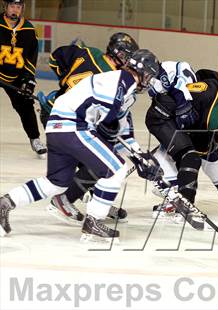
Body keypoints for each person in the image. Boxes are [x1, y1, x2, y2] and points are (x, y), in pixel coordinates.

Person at [0, 49, 161, 241]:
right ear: (142, 72)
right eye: (150, 75)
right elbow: (109, 125)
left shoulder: (125, 88)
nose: (150, 81)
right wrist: (129, 149)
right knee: (116, 169)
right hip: (74, 127)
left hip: (58, 128)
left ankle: (7, 202)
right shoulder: (122, 81)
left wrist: (138, 154)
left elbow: (121, 130)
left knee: (56, 182)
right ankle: (94, 220)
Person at [37, 32, 139, 225]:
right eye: (128, 57)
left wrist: (64, 85)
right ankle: (71, 200)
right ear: (119, 54)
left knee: (95, 160)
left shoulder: (89, 52)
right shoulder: (113, 77)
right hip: (72, 119)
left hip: (54, 109)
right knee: (97, 160)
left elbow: (55, 57)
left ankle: (97, 201)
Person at [145, 69, 218, 230]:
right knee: (177, 155)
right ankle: (175, 199)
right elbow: (181, 93)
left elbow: (201, 75)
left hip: (182, 121)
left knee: (208, 152)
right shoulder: (210, 99)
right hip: (164, 116)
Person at [0, 0, 47, 158]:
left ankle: (35, 139)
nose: (15, 10)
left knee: (26, 106)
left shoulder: (29, 30)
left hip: (16, 76)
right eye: (12, 6)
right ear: (5, 7)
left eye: (18, 7)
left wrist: (28, 80)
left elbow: (31, 58)